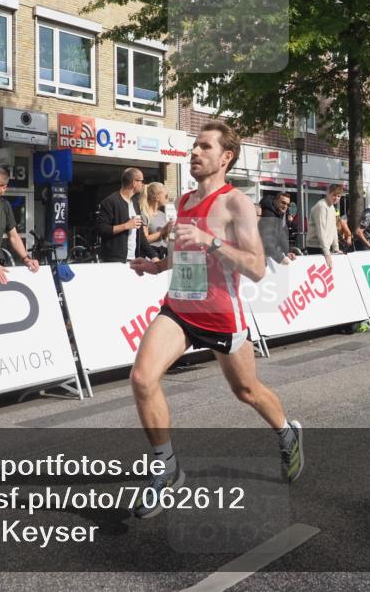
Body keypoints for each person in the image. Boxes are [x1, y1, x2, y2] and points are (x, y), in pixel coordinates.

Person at [127, 121, 303, 518]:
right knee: (142, 378)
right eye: (193, 146)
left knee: (246, 391)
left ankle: (287, 433)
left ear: (225, 157)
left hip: (221, 313)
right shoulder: (185, 201)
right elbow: (182, 253)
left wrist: (213, 241)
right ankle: (166, 468)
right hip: (180, 307)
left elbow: (257, 267)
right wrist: (157, 267)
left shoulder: (236, 203)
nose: (195, 153)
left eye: (204, 147)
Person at [96, 168, 153, 263]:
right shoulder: (110, 202)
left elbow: (140, 234)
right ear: (134, 182)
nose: (143, 184)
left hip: (133, 260)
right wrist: (126, 226)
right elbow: (101, 229)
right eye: (142, 181)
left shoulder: (135, 203)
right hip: (114, 261)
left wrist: (153, 256)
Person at [304, 184, 343, 268]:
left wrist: (336, 247)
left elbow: (333, 229)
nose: (336, 198)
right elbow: (321, 230)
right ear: (328, 193)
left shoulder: (332, 207)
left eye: (339, 196)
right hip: (315, 246)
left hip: (324, 247)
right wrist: (327, 253)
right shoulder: (321, 206)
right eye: (334, 195)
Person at [141, 182, 175, 261]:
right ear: (157, 198)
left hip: (163, 254)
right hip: (150, 257)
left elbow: (164, 238)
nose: (168, 198)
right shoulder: (144, 214)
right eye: (166, 196)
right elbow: (144, 240)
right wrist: (162, 230)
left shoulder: (162, 215)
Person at [258, 192, 296, 264]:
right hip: (260, 255)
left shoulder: (278, 212)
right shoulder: (269, 214)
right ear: (275, 201)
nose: (285, 206)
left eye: (287, 204)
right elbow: (267, 240)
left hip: (266, 255)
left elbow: (282, 234)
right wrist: (280, 258)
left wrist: (287, 252)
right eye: (283, 203)